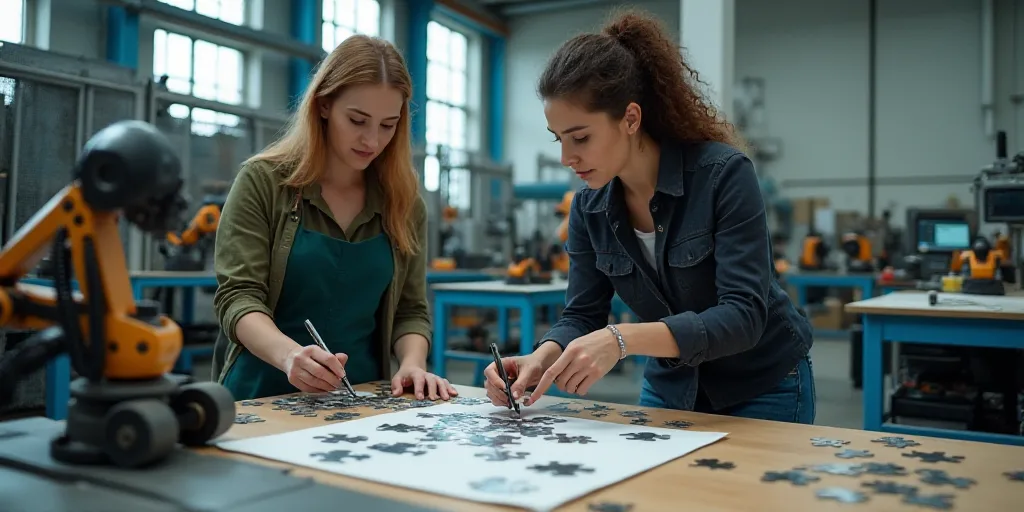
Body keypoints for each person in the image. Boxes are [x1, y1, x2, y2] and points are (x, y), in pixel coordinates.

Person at [483, 10, 816, 424]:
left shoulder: (723, 175)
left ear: (631, 118)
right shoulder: (589, 208)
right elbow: (583, 314)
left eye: (581, 137)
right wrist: (542, 355)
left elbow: (743, 316)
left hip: (761, 383)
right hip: (671, 384)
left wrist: (620, 340)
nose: (567, 158)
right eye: (560, 140)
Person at [211, 35, 456, 402]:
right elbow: (238, 297)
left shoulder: (403, 203)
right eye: (357, 120)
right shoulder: (263, 182)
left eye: (388, 125)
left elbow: (410, 309)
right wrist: (291, 356)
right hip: (260, 395)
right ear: (324, 105)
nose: (371, 140)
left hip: (361, 399)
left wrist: (412, 363)